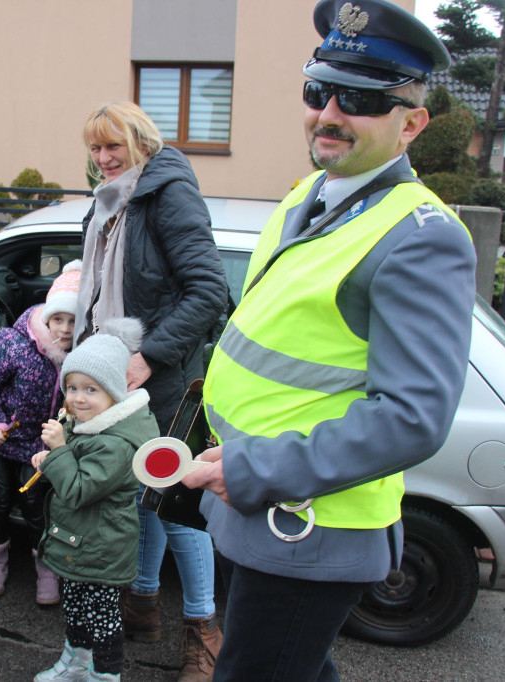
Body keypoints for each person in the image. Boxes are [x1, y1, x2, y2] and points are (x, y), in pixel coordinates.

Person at [181, 1, 478, 679]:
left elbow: (413, 418)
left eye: (364, 98)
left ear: (412, 123)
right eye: (319, 90)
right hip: (247, 503)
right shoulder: (313, 192)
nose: (330, 113)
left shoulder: (421, 239)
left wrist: (253, 469)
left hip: (305, 524)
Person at [76, 101, 228, 679]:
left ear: (141, 142)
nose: (103, 158)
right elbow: (100, 289)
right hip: (121, 374)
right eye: (95, 148)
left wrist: (149, 355)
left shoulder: (167, 193)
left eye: (113, 146)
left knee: (177, 503)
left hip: (161, 379)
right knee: (140, 493)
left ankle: (202, 632)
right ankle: (142, 606)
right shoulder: (111, 202)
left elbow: (208, 291)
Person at [31, 318, 160, 682]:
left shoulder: (117, 444)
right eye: (72, 387)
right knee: (75, 610)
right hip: (79, 544)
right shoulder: (88, 426)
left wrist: (57, 452)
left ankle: (105, 675)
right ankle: (75, 663)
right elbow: (72, 465)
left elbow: (78, 490)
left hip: (102, 550)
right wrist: (52, 459)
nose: (78, 398)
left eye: (91, 389)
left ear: (114, 394)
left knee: (103, 620)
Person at [0, 260, 82, 605]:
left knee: (36, 504)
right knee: (0, 499)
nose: (64, 328)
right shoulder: (14, 343)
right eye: (58, 318)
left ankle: (46, 567)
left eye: (73, 321)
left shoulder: (80, 355)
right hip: (4, 438)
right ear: (47, 315)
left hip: (42, 444)